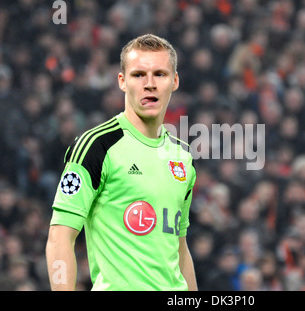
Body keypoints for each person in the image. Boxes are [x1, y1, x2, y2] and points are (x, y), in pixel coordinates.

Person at [45, 34, 198, 291]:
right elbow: (60, 237)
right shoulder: (96, 146)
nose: (150, 84)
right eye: (139, 75)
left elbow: (180, 247)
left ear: (175, 81)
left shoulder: (183, 156)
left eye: (160, 74)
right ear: (122, 81)